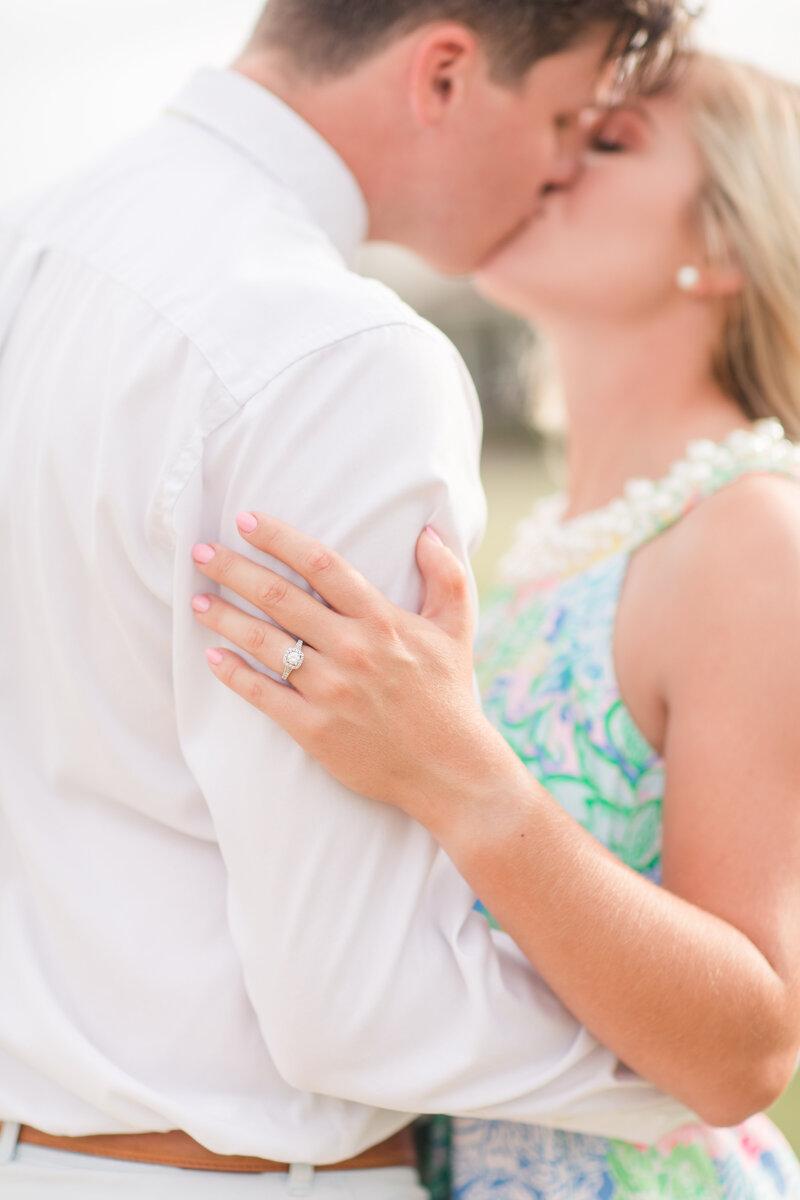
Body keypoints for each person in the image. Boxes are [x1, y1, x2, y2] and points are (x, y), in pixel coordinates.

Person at [0, 1, 695, 1197]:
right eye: (563, 117)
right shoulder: (339, 358)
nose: (556, 169)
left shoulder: (39, 244)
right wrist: (691, 1070)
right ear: (442, 75)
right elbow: (355, 1006)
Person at [189, 52, 800, 1198]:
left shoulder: (752, 538)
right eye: (564, 118)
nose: (548, 155)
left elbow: (745, 1051)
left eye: (605, 142)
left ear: (721, 246)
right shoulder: (545, 548)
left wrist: (460, 776)